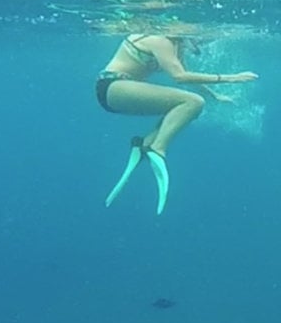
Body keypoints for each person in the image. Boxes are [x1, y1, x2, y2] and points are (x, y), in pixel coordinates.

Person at [97, 33, 258, 214]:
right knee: (193, 103)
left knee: (182, 107)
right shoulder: (160, 40)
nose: (200, 42)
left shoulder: (176, 46)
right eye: (199, 38)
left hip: (121, 91)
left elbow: (188, 76)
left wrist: (215, 96)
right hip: (113, 87)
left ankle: (145, 144)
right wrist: (231, 78)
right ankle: (158, 148)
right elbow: (180, 77)